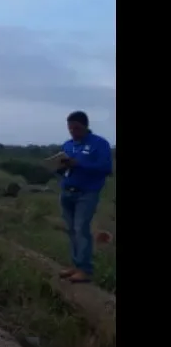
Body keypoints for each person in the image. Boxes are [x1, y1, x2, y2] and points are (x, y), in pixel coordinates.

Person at [56, 111, 112, 283]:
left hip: (87, 193)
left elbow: (106, 168)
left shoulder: (99, 144)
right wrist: (58, 167)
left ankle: (85, 269)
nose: (73, 131)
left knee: (81, 229)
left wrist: (79, 164)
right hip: (67, 192)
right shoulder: (68, 145)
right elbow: (64, 168)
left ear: (85, 126)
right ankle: (76, 265)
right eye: (70, 128)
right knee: (71, 230)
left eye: (76, 128)